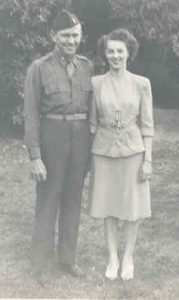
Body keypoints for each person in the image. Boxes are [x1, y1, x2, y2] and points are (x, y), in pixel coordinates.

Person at [24, 9, 92, 281]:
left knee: (73, 200)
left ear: (81, 36)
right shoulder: (39, 68)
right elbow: (31, 114)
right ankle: (40, 264)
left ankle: (67, 259)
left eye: (75, 35)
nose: (71, 41)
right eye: (65, 36)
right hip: (52, 136)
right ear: (53, 36)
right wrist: (35, 156)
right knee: (48, 200)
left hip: (80, 139)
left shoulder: (87, 66)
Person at [89, 29, 154, 281]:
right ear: (105, 55)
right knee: (108, 205)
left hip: (133, 151)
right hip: (103, 151)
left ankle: (128, 257)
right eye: (110, 51)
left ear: (129, 53)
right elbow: (92, 123)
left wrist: (148, 159)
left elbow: (147, 125)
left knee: (132, 206)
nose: (115, 55)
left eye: (120, 51)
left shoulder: (141, 84)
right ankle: (112, 257)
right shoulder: (96, 83)